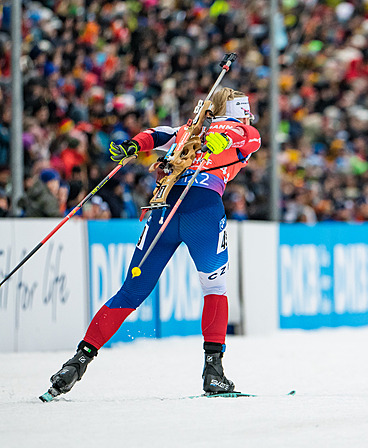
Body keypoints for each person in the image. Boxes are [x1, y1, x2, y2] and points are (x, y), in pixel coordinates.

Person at [46, 88, 261, 397]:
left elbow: (158, 135)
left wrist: (134, 145)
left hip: (164, 209)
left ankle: (78, 361)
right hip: (202, 212)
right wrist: (220, 139)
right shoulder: (234, 128)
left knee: (130, 291)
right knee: (214, 288)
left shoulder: (190, 128)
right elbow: (243, 135)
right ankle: (213, 372)